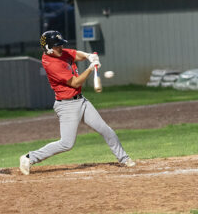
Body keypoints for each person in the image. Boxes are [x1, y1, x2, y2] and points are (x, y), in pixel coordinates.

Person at [19, 31, 135, 175]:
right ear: (48, 48)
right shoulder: (51, 63)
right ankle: (30, 158)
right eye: (57, 46)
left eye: (61, 44)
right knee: (66, 144)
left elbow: (74, 54)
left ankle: (124, 158)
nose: (61, 48)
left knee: (105, 129)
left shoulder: (60, 53)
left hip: (81, 100)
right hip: (67, 105)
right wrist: (91, 68)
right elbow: (75, 82)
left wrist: (88, 56)